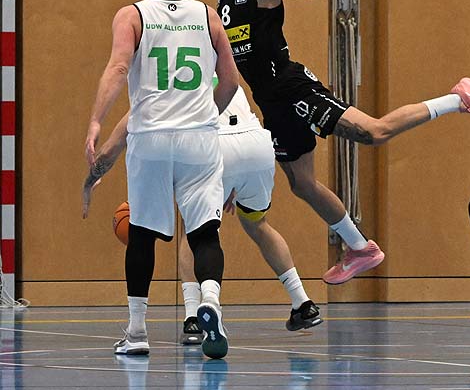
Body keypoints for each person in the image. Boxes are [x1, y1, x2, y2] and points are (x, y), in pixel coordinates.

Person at [209, 0, 470, 284]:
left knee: (374, 132)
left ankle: (458, 98)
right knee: (302, 184)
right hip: (271, 101)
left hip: (292, 88)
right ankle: (360, 248)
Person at [84, 0, 239, 359]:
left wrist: (97, 120)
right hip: (199, 138)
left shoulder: (132, 15)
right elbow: (230, 81)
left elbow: (119, 66)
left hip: (150, 137)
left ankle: (137, 332)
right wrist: (204, 114)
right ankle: (210, 301)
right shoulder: (208, 16)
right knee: (205, 232)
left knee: (142, 235)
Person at [84, 85, 324, 342]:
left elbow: (126, 129)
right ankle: (302, 302)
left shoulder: (167, 81)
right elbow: (231, 86)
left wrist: (93, 174)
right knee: (257, 223)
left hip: (217, 140)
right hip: (256, 143)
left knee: (195, 228)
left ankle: (193, 318)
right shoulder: (217, 66)